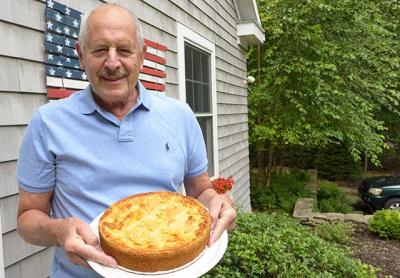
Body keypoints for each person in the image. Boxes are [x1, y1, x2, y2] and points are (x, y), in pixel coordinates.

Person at [16, 3, 236, 277]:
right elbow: (27, 219)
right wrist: (60, 231)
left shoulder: (180, 116)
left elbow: (201, 191)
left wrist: (218, 203)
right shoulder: (48, 123)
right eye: (99, 50)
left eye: (124, 49)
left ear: (141, 56)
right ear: (81, 56)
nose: (112, 63)